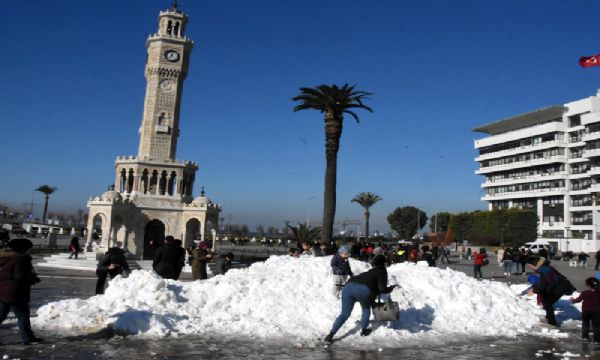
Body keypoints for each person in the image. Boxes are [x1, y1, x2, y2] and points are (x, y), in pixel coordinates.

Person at [324, 255, 395, 343]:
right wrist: (390, 289)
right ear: (384, 263)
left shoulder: (370, 271)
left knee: (344, 314)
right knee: (365, 308)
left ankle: (330, 335)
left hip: (348, 287)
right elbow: (382, 289)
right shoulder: (382, 272)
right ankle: (364, 330)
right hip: (363, 290)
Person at [0, 238, 43, 345]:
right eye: (28, 248)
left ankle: (28, 337)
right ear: (23, 249)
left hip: (3, 292)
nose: (29, 250)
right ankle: (27, 337)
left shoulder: (7, 257)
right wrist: (32, 279)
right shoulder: (21, 259)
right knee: (23, 316)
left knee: (1, 315)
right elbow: (20, 275)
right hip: (16, 293)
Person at [570, 277, 600, 343]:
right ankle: (597, 340)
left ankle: (585, 337)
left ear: (588, 285)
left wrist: (572, 300)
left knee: (585, 324)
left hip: (586, 311)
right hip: (597, 312)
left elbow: (578, 300)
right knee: (596, 326)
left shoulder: (585, 292)